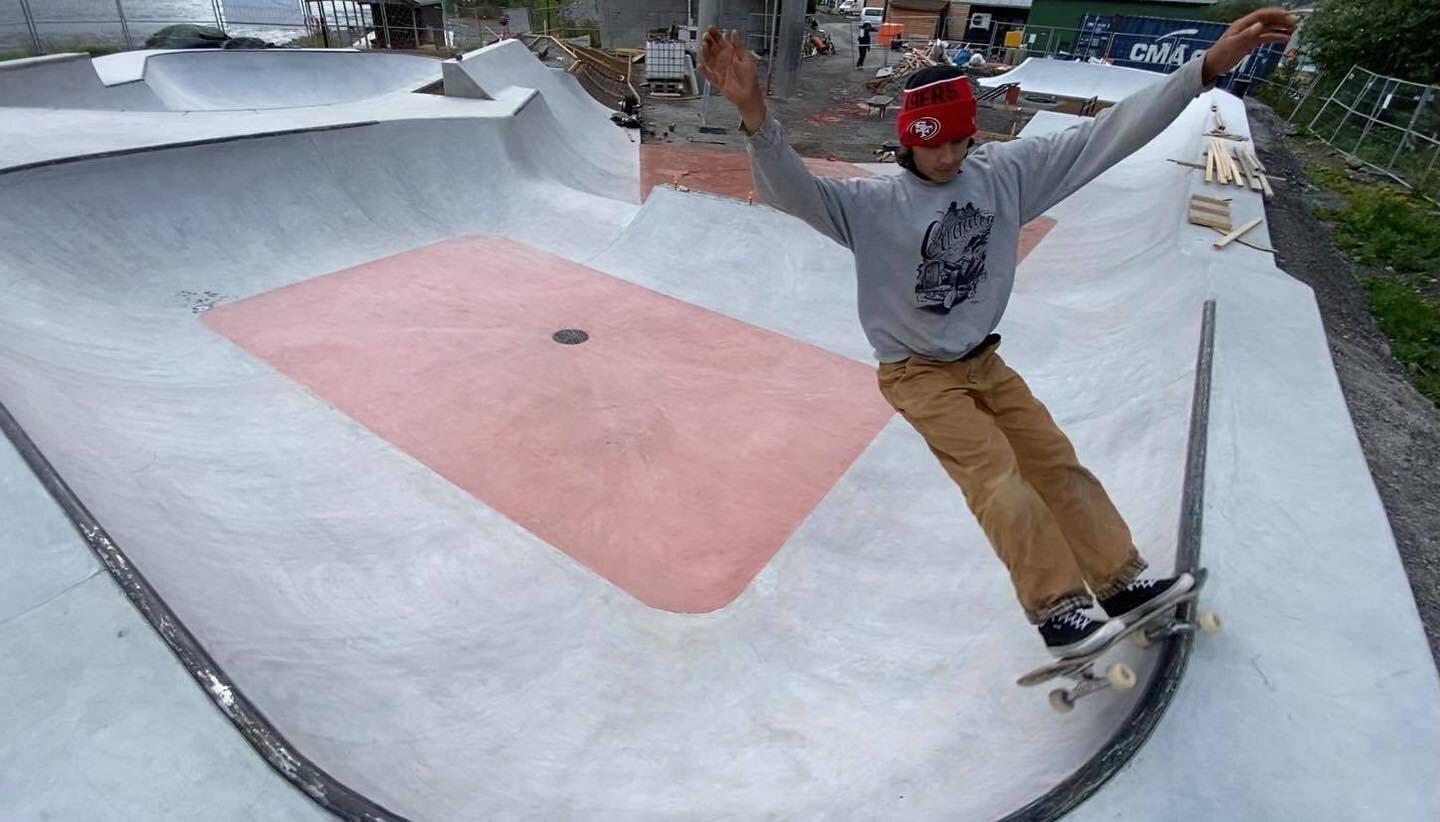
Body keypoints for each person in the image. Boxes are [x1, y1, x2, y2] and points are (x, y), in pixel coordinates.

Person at [698, 10, 1294, 658]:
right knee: (998, 478)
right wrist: (756, 116)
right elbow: (791, 190)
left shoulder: (1007, 175)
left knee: (1055, 463)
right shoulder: (870, 208)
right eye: (934, 146)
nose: (949, 157)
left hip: (984, 363)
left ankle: (1121, 584)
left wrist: (1204, 68)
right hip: (918, 375)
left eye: (960, 143)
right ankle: (1059, 610)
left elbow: (1110, 135)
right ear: (907, 143)